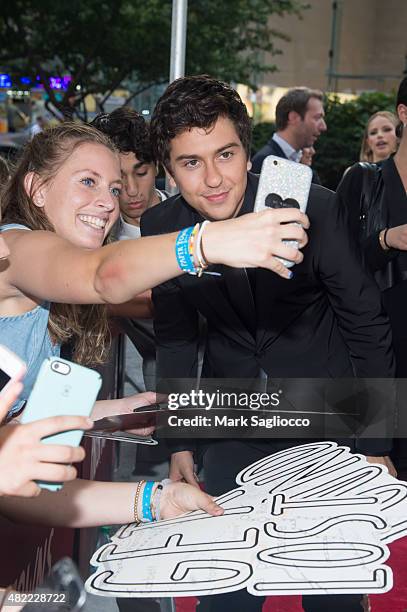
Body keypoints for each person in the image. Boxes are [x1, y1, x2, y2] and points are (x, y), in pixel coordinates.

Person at [141, 74, 395, 612]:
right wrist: (179, 441)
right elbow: (177, 337)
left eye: (225, 154)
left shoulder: (315, 209)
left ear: (247, 151)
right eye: (191, 163)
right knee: (225, 590)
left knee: (332, 590)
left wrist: (377, 442)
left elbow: (365, 322)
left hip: (330, 415)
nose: (213, 179)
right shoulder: (163, 228)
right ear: (168, 169)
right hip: (235, 415)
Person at [0, 122, 306, 420]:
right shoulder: (16, 246)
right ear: (37, 188)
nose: (108, 202)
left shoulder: (45, 279)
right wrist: (208, 241)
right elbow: (103, 276)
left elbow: (14, 414)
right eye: (88, 182)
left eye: (113, 189)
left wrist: (109, 412)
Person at [337, 78, 407, 470]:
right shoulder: (363, 180)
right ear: (404, 113)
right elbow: (338, 267)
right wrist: (385, 239)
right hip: (379, 352)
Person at [251, 87, 326, 183]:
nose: (323, 126)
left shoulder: (300, 161)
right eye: (317, 118)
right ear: (293, 117)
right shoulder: (265, 163)